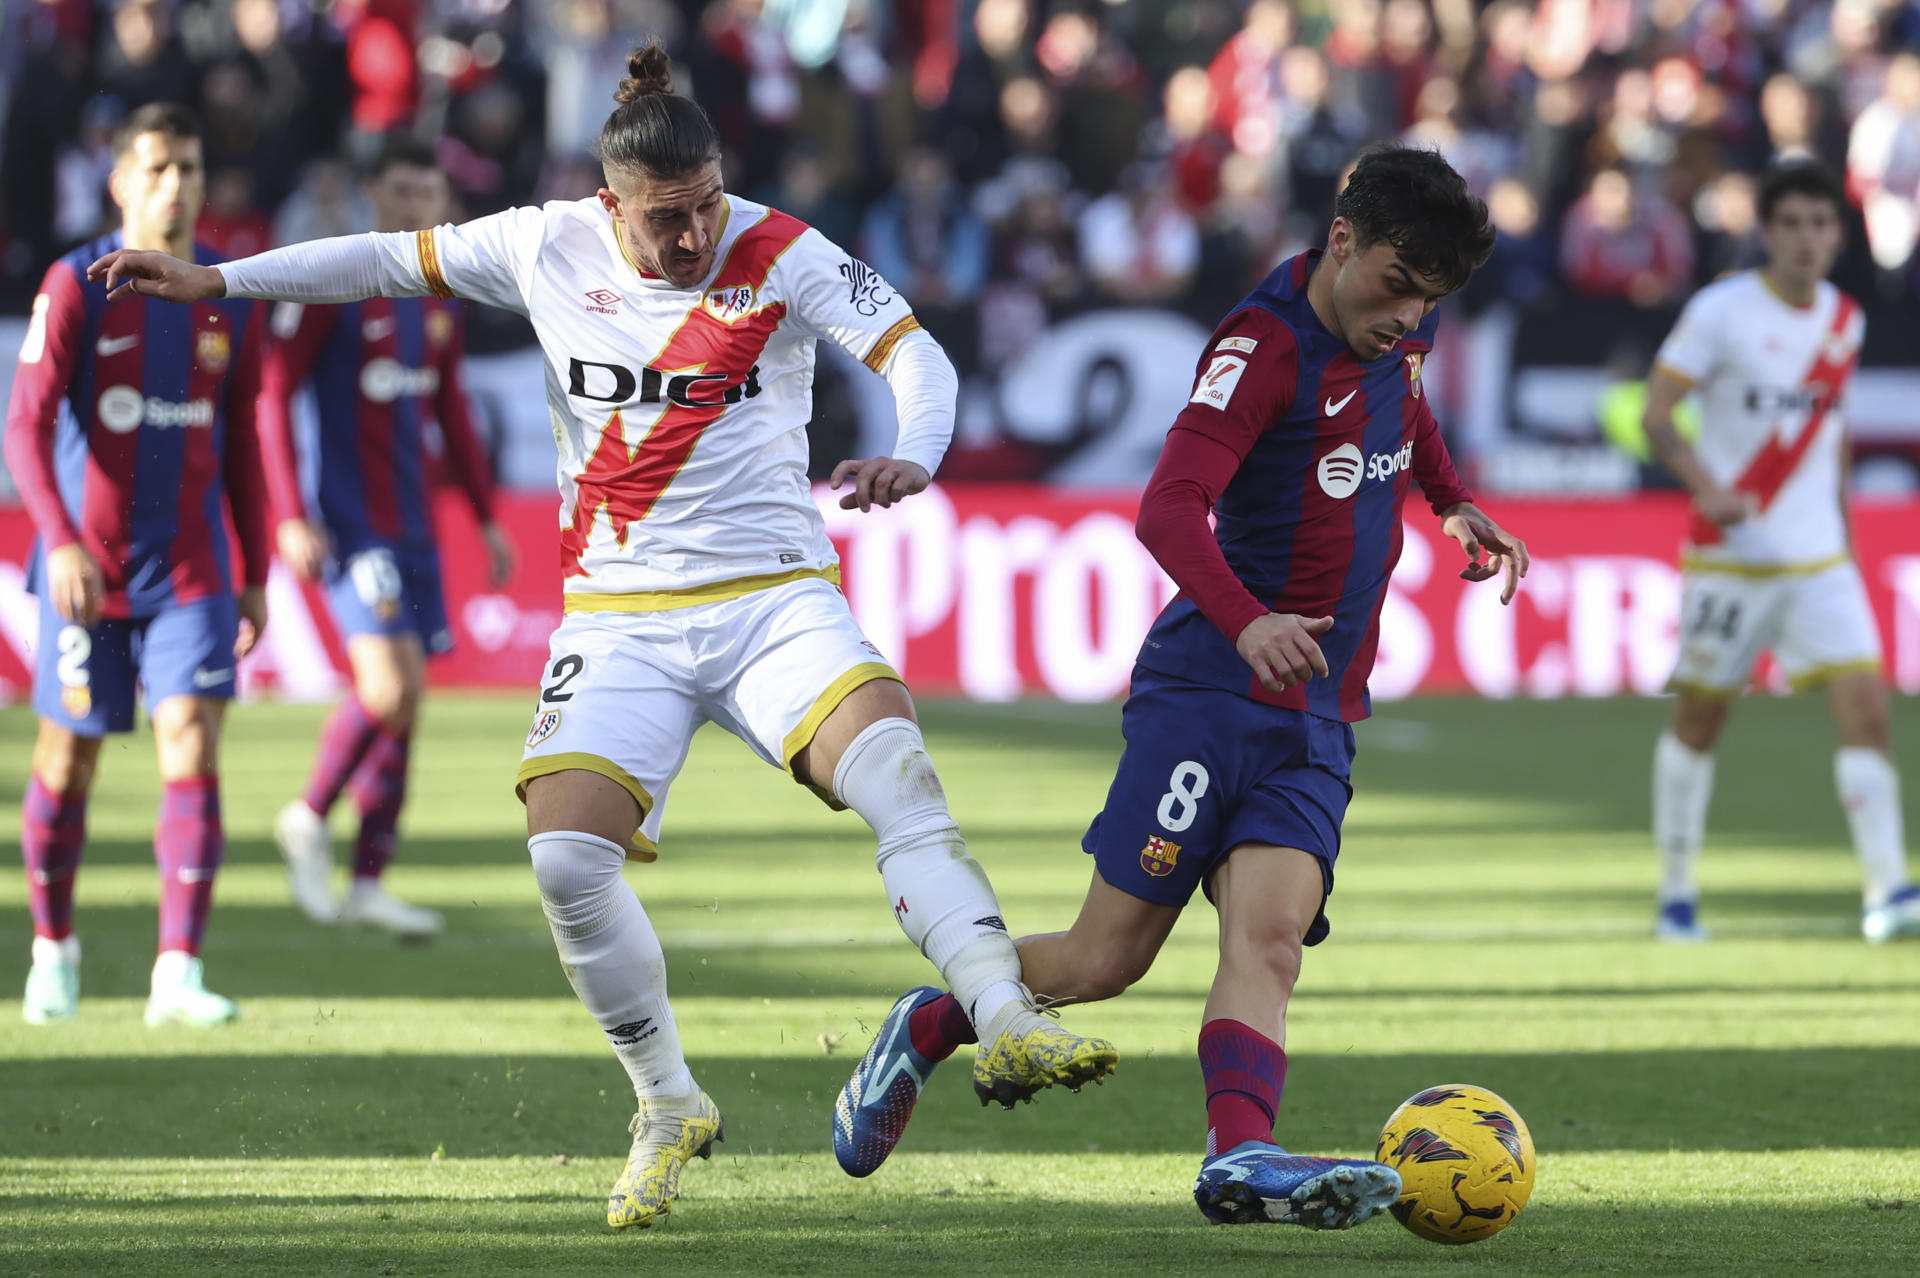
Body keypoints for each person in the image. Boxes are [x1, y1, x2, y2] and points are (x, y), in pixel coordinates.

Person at [88, 44, 1116, 1229]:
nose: (696, 239)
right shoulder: (541, 244)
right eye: (668, 219)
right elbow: (376, 260)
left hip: (774, 593)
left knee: (895, 772)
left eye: (709, 206)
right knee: (566, 861)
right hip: (619, 615)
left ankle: (1008, 1019)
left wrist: (914, 456)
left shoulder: (782, 248)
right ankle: (667, 1100)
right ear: (609, 202)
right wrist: (217, 285)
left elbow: (916, 356)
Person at [833, 144, 1529, 1230]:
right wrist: (1248, 621)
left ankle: (1239, 1155)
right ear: (1340, 240)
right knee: (1104, 960)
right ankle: (931, 1022)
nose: (1410, 317)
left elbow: (1407, 410)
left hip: (1319, 710)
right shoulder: (1260, 351)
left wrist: (1450, 502)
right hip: (1211, 691)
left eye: (1431, 299)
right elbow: (1167, 507)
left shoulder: (1401, 320)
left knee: (1270, 942)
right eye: (1398, 287)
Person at [6, 103, 270, 1028]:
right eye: (157, 167)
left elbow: (242, 442)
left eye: (189, 168)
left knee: (192, 738)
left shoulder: (227, 295)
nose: (176, 184)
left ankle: (178, 972)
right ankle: (53, 951)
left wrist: (258, 567)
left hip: (191, 568)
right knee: (69, 760)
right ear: (121, 181)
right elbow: (26, 425)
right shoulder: (77, 284)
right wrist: (62, 538)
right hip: (88, 574)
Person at [1642, 162, 1918, 945]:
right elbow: (1658, 415)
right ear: (1767, 232)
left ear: (1839, 233)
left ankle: (1888, 889)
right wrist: (1706, 485)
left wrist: (1848, 542)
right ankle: (1677, 893)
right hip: (1732, 556)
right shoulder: (1719, 312)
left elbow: (1827, 441)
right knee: (1701, 719)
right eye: (1791, 224)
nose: (1807, 240)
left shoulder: (1845, 319)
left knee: (1869, 712)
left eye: (1821, 224)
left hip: (1821, 560)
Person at [260, 140, 516, 937]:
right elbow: (271, 393)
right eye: (401, 191)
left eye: (428, 193)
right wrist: (289, 511)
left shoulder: (439, 295)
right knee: (388, 690)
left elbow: (450, 417)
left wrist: (483, 516)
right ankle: (306, 815)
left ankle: (369, 878)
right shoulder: (335, 283)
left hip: (413, 524)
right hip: (348, 522)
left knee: (409, 704)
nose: (415, 207)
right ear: (374, 194)